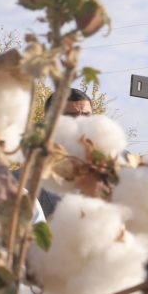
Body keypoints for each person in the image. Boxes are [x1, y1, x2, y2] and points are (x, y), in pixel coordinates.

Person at [37, 87, 95, 217]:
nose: (81, 123)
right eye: (70, 117)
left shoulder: (113, 170)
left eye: (86, 116)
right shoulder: (21, 181)